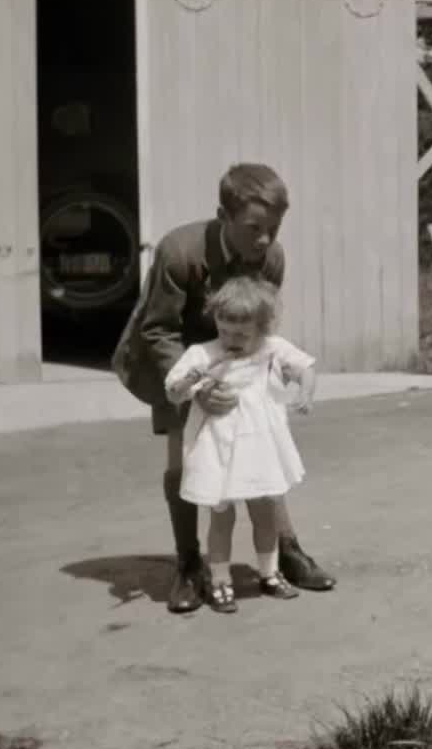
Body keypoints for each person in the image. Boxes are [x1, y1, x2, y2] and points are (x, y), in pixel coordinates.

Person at [111, 163, 337, 615]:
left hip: (235, 358)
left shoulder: (271, 258)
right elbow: (158, 331)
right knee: (187, 457)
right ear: (223, 215)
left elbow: (260, 319)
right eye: (253, 228)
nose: (264, 240)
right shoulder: (180, 251)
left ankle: (285, 550)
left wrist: (275, 374)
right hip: (174, 356)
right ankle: (190, 564)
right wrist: (195, 388)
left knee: (264, 448)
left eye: (273, 229)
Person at [164, 276, 316, 614]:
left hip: (260, 447)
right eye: (225, 329)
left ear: (261, 328)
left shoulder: (271, 349)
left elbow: (305, 367)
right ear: (215, 319)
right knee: (222, 518)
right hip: (219, 447)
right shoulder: (202, 353)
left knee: (265, 513)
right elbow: (173, 389)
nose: (231, 339)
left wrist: (305, 391)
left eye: (242, 334)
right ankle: (220, 580)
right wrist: (193, 380)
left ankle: (269, 572)